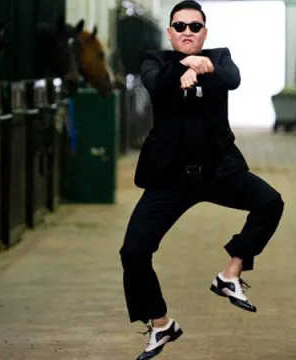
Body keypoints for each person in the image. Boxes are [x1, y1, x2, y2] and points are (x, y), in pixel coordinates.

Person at [119, 1, 284, 359]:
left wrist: (200, 67)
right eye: (180, 26)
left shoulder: (219, 58)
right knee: (133, 252)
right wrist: (183, 64)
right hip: (169, 180)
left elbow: (233, 80)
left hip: (217, 173)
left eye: (195, 27)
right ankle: (161, 324)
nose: (188, 32)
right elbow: (156, 83)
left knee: (270, 202)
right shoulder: (155, 60)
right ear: (170, 32)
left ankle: (230, 274)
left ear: (205, 32)